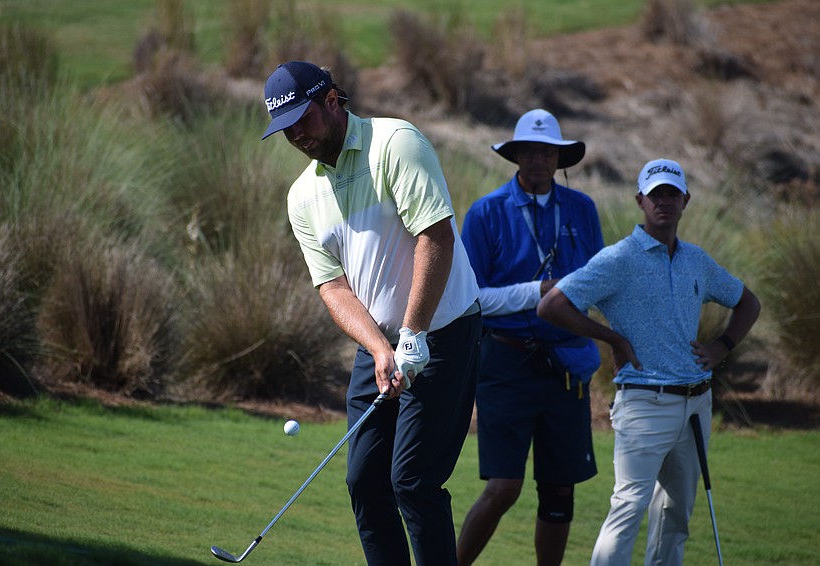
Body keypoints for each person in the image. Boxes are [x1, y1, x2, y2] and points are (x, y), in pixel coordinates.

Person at [260, 61, 481, 566]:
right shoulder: (302, 197)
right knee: (363, 479)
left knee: (413, 480)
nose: (295, 134)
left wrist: (413, 333)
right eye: (284, 127)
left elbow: (436, 236)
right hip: (379, 342)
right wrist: (382, 346)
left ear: (332, 101)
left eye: (302, 118)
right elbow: (333, 287)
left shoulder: (395, 143)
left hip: (443, 332)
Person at [538, 158, 761, 565]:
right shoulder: (619, 258)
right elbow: (552, 305)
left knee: (675, 515)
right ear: (640, 200)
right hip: (645, 402)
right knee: (628, 509)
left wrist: (722, 346)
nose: (664, 201)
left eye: (672, 194)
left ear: (685, 201)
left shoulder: (697, 260)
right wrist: (611, 337)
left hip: (696, 402)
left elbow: (748, 302)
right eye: (655, 194)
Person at [457, 108, 603, 566]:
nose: (539, 159)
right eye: (530, 151)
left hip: (568, 364)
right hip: (506, 363)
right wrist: (535, 293)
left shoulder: (582, 209)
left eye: (548, 152)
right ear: (516, 155)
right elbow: (471, 300)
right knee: (503, 487)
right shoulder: (486, 213)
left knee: (559, 488)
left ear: (560, 158)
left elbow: (601, 282)